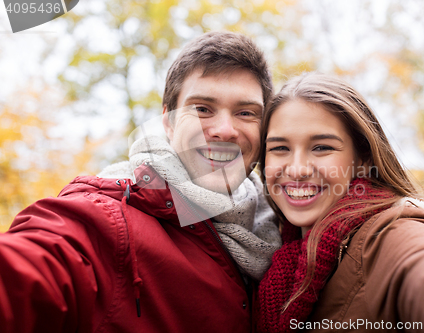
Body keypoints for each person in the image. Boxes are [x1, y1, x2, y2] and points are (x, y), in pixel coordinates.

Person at [0, 31, 282, 333]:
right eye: (202, 108)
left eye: (245, 112)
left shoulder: (285, 227)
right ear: (168, 122)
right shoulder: (109, 222)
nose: (225, 130)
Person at [256, 72, 424, 332]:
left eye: (321, 147)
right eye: (280, 148)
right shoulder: (275, 249)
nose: (297, 169)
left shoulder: (392, 232)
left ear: (363, 159)